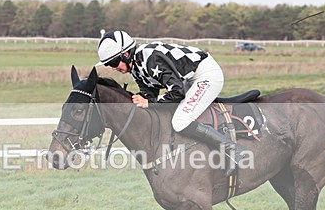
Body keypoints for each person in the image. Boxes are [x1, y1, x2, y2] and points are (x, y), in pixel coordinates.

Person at [95, 29, 241, 176]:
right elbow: (149, 93)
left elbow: (177, 92)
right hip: (189, 78)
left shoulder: (150, 59)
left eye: (114, 62)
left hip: (206, 75)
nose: (113, 68)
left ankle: (231, 148)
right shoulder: (135, 67)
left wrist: (149, 103)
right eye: (108, 65)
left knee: (181, 121)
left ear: (126, 54)